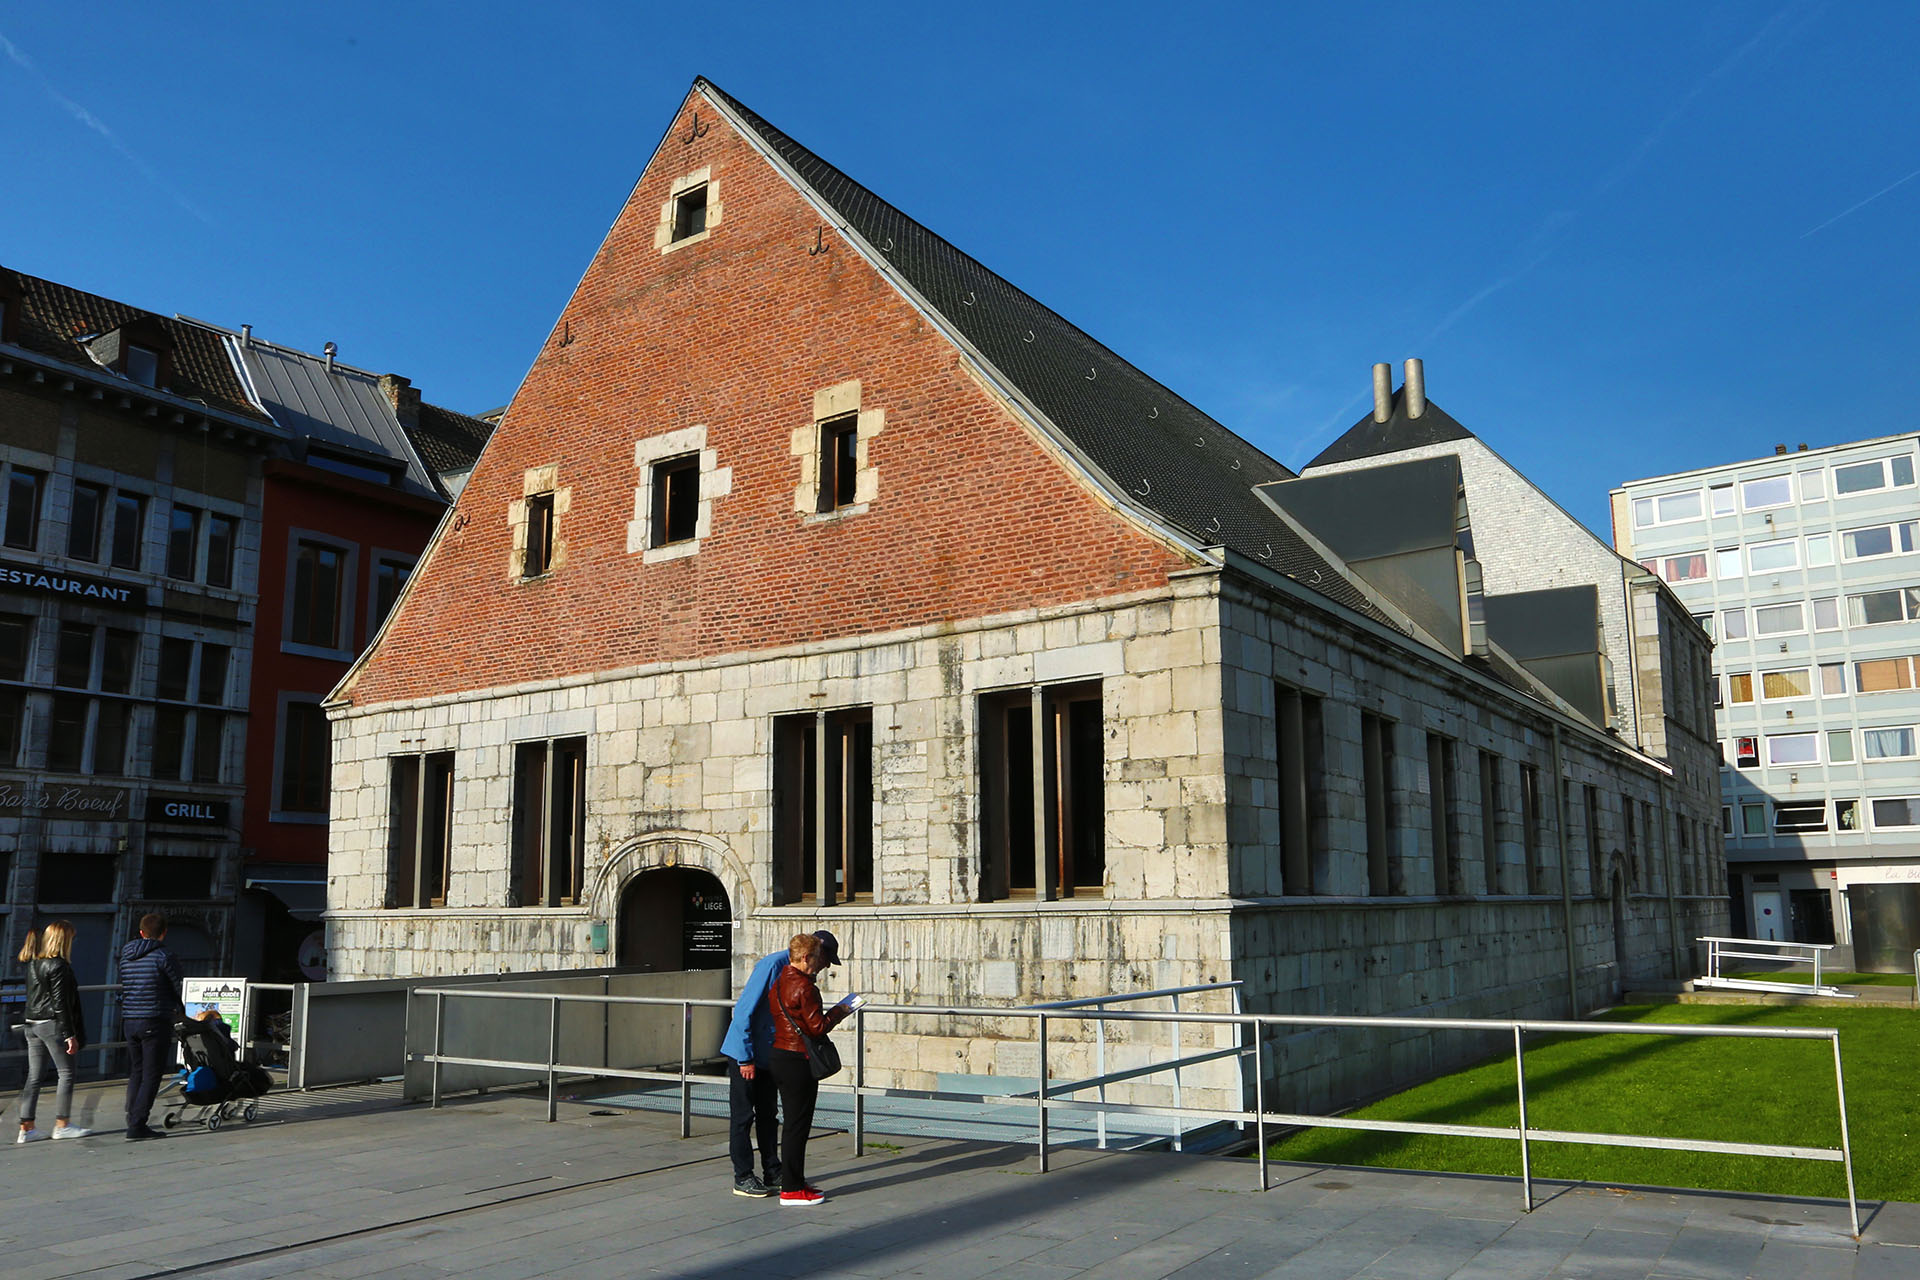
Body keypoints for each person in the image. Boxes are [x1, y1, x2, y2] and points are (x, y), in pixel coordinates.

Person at [719, 929, 842, 1198]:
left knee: (768, 1115)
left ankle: (772, 1170)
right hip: (746, 1053)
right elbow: (744, 1011)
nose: (824, 967)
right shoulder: (773, 965)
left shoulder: (799, 974)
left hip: (770, 1054)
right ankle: (743, 1175)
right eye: (824, 960)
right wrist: (745, 1057)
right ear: (813, 952)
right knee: (743, 1116)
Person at [767, 932, 851, 1207]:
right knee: (797, 1125)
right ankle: (791, 1189)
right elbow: (817, 1028)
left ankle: (795, 1181)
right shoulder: (805, 987)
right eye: (817, 959)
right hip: (797, 1059)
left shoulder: (780, 981)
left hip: (780, 1054)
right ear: (805, 958)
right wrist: (842, 1010)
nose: (821, 966)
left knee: (793, 1123)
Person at [16, 922, 92, 1143]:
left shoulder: (34, 963)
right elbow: (61, 1004)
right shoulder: (59, 966)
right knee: (66, 1073)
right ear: (64, 940)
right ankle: (62, 1124)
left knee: (34, 1075)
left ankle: (26, 1128)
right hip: (52, 1025)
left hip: (32, 1023)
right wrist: (70, 1034)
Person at [119, 913, 184, 1142]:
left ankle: (132, 1117)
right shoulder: (164, 955)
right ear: (163, 933)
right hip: (155, 1019)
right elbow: (179, 986)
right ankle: (138, 1124)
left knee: (136, 1071)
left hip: (129, 1019)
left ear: (141, 932)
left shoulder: (126, 956)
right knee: (152, 1074)